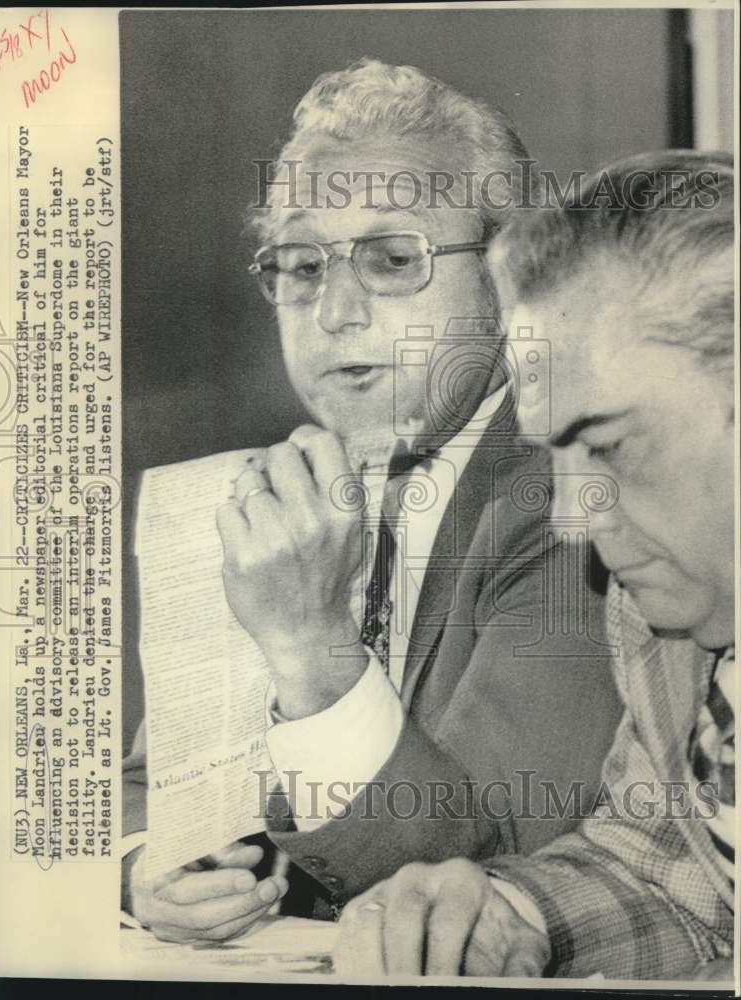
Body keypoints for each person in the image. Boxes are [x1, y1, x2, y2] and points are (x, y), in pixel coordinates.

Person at [121, 58, 622, 943]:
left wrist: (310, 646)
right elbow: (150, 788)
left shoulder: (575, 493)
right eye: (300, 266)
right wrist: (145, 871)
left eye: (392, 260)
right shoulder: (275, 496)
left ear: (510, 275)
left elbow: (481, 884)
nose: (333, 311)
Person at [333, 151, 735, 980]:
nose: (569, 520)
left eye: (607, 445)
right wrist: (510, 915)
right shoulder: (661, 624)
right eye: (555, 456)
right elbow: (669, 874)